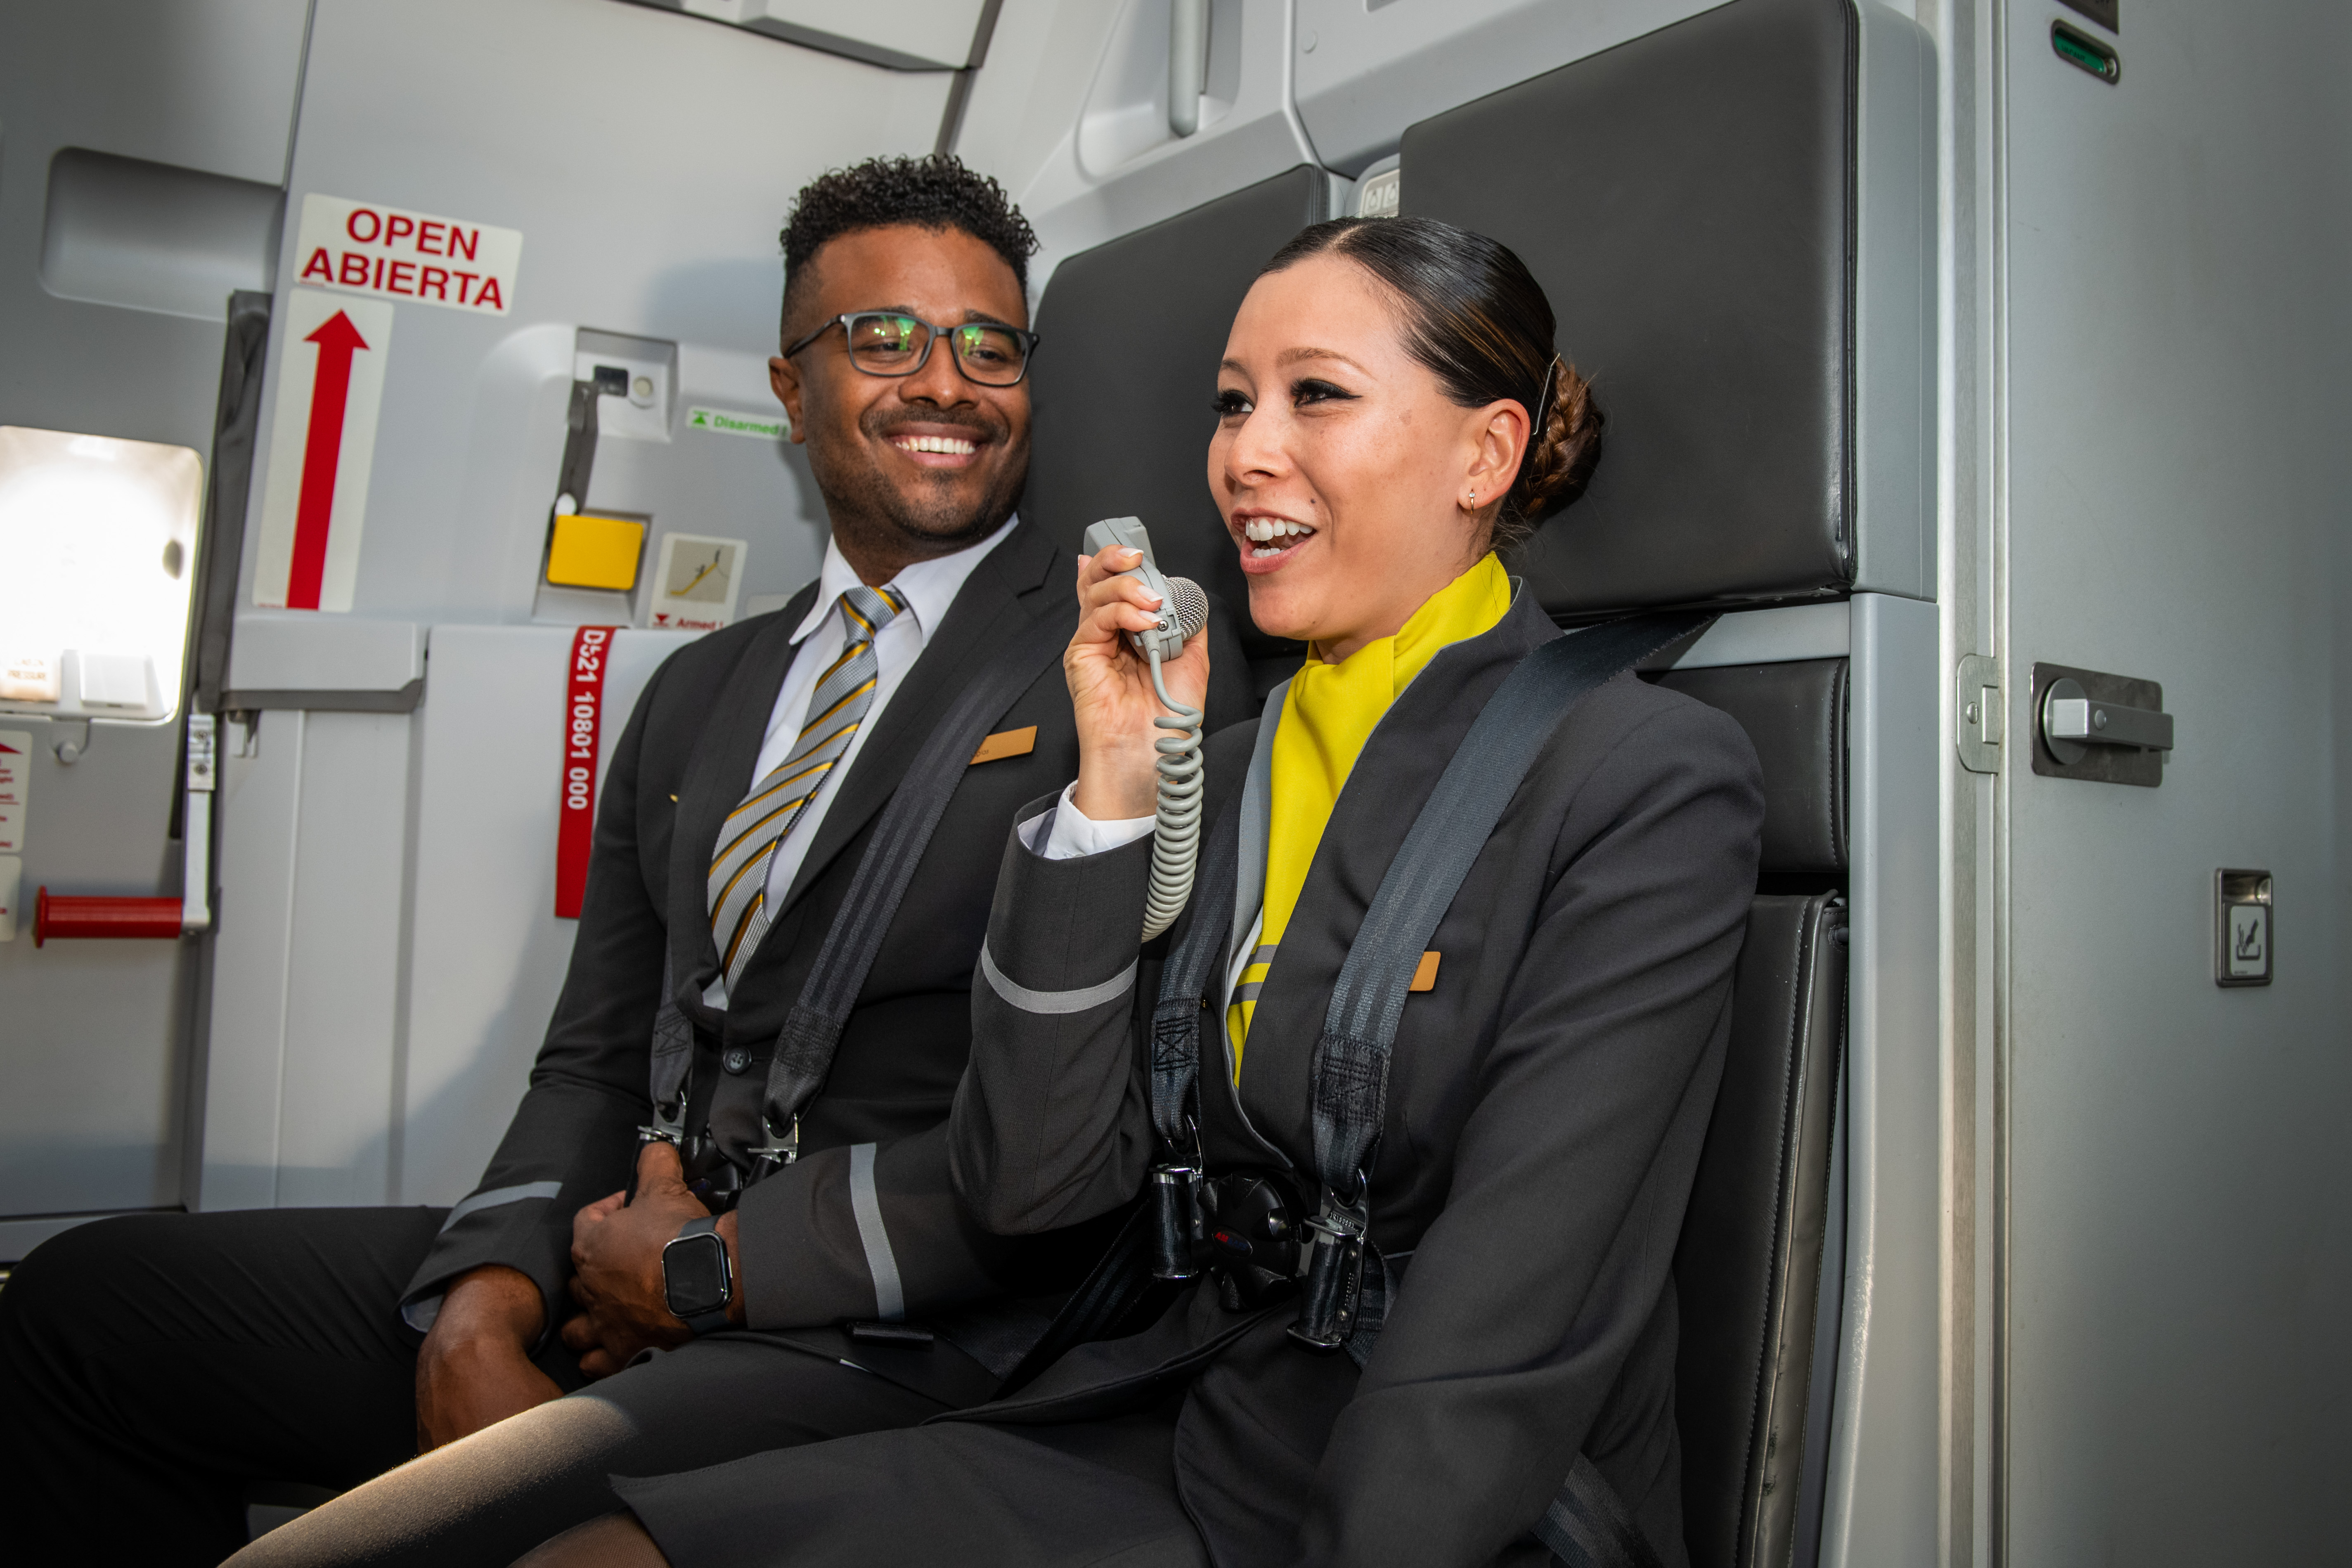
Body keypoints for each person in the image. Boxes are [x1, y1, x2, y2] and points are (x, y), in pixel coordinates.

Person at [0, 153, 1252, 1566]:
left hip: (881, 1324)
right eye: (884, 338)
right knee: (87, 1308)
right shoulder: (699, 692)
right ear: (789, 387)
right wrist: (488, 1299)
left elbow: (1088, 1124)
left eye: (989, 346)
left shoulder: (1119, 673)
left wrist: (707, 1277)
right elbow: (595, 1053)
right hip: (628, 1249)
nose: (945, 384)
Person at [508, 215, 1768, 1568]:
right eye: (1233, 404)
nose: (1244, 455)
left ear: (1486, 453)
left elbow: (1517, 1320)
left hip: (1422, 1488)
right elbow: (1035, 1188)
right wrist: (1110, 792)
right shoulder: (1221, 771)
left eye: (1316, 396)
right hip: (1154, 1412)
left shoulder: (1641, 776)